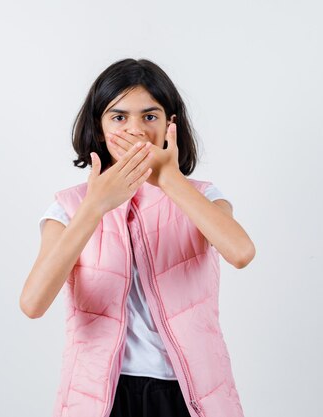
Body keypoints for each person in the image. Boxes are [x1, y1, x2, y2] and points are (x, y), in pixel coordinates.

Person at [20, 58, 256, 417]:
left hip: (188, 393)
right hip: (103, 397)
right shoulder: (69, 207)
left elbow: (241, 252)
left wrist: (169, 179)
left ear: (169, 125)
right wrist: (94, 206)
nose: (136, 130)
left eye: (149, 116)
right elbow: (33, 303)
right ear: (99, 128)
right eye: (119, 117)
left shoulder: (201, 195)